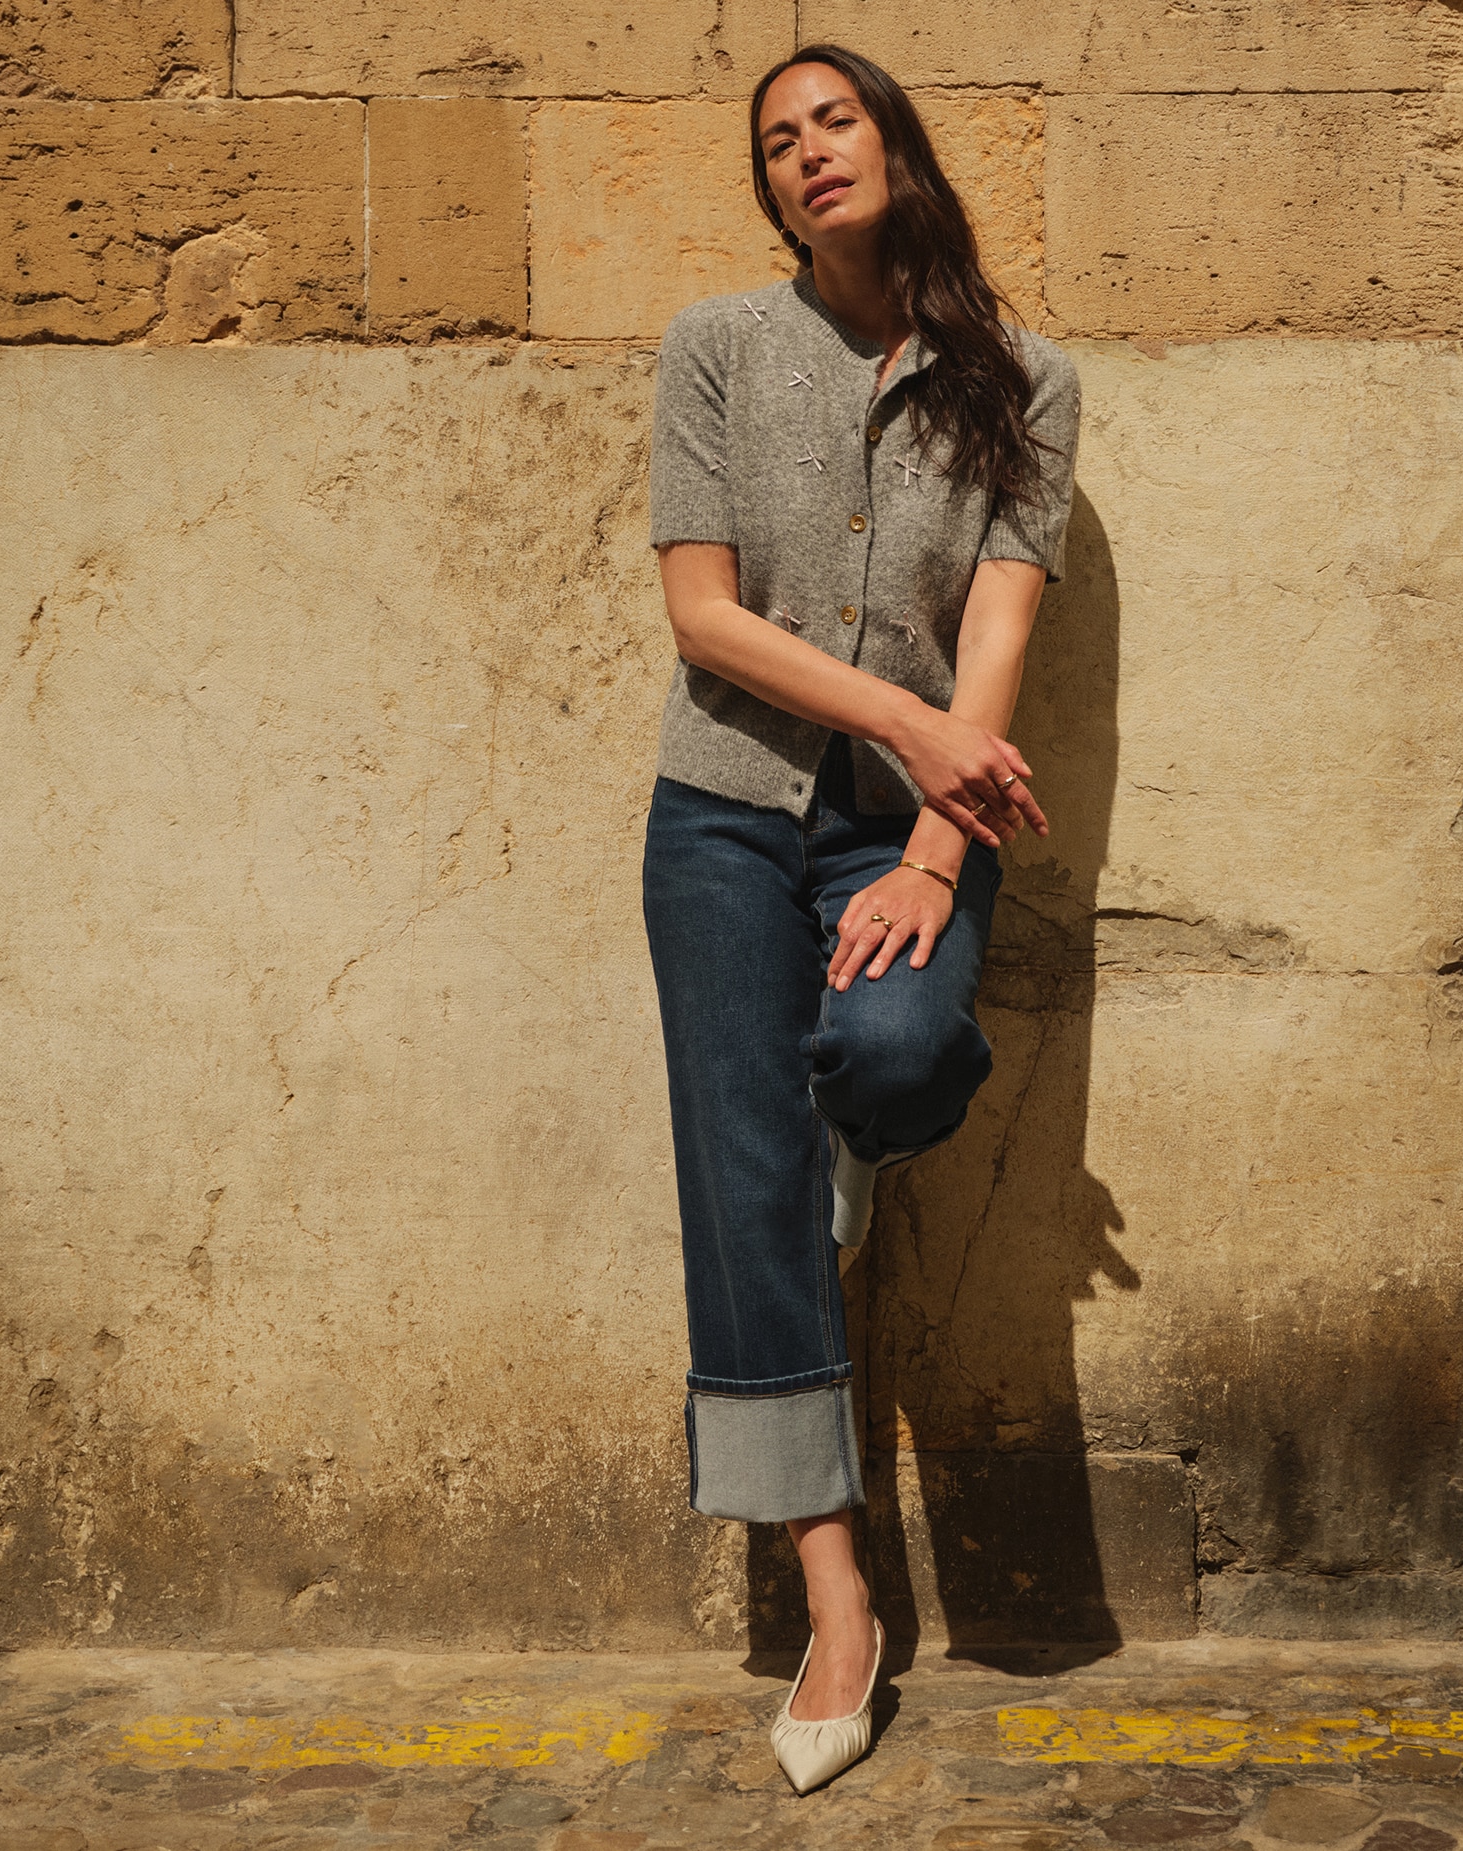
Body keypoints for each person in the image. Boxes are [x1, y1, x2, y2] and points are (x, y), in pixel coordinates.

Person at [642, 42, 1081, 1794]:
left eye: (835, 121)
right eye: (778, 143)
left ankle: (841, 1146)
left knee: (895, 1052)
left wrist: (933, 849)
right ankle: (839, 1601)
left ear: (894, 143)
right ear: (769, 192)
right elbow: (704, 616)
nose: (810, 154)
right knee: (737, 1184)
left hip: (907, 833)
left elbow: (997, 646)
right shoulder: (717, 349)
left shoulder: (1027, 382)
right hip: (725, 817)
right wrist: (905, 724)